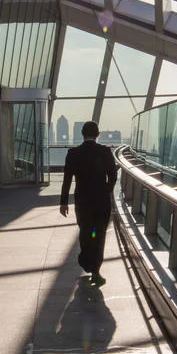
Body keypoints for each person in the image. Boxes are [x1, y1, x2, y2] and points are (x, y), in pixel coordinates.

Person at [60, 120, 118, 286]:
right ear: (98, 134)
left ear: (82, 134)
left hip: (83, 202)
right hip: (101, 203)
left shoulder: (73, 153)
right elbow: (113, 176)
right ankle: (95, 270)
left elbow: (67, 179)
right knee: (99, 234)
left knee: (86, 231)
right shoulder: (105, 152)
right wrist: (106, 190)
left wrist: (64, 202)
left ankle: (86, 259)